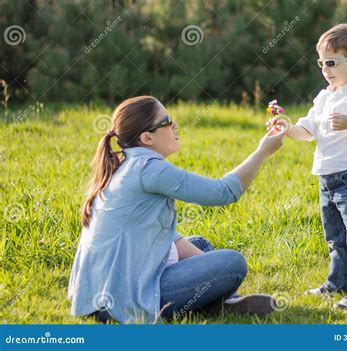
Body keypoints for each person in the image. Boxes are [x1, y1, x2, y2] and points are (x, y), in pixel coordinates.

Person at [68, 96, 288, 324]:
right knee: (232, 262)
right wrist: (263, 151)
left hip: (103, 291)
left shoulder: (126, 165)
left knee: (201, 244)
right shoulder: (149, 169)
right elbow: (223, 192)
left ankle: (218, 301)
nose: (175, 125)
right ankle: (213, 301)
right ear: (147, 137)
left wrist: (213, 275)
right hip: (121, 299)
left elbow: (164, 235)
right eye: (167, 121)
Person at [268, 23, 347, 309]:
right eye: (321, 62)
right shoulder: (324, 97)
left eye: (332, 62)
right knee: (334, 238)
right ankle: (337, 283)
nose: (325, 69)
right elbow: (307, 132)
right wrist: (286, 127)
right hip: (325, 177)